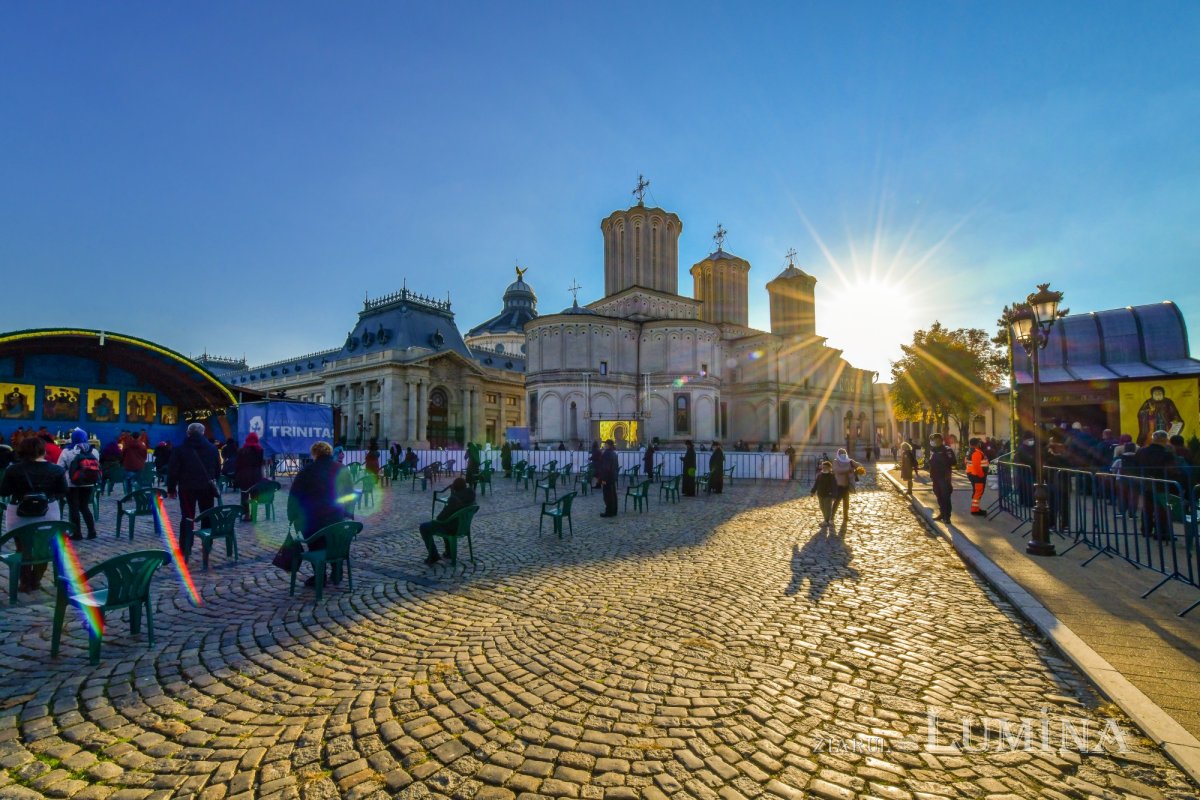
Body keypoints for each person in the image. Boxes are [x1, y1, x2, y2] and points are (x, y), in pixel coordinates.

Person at [0, 435, 68, 592]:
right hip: (48, 512)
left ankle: (25, 582)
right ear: (43, 450)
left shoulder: (13, 470)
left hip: (19, 513)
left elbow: (4, 491)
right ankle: (35, 580)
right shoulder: (56, 470)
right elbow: (63, 491)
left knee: (22, 548)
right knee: (43, 549)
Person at [287, 441, 355, 585]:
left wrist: (292, 517)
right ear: (330, 453)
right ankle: (337, 572)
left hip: (313, 520)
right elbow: (349, 494)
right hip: (336, 517)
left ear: (315, 454)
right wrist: (348, 514)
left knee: (314, 541)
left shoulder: (307, 471)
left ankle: (320, 575)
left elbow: (294, 496)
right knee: (336, 540)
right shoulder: (341, 469)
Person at [167, 423, 221, 558]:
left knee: (187, 517)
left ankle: (185, 547)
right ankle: (207, 545)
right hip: (207, 488)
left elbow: (173, 470)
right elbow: (217, 468)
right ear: (203, 433)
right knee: (207, 515)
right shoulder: (212, 449)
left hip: (187, 488)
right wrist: (215, 481)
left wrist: (171, 488)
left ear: (188, 433)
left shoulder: (180, 449)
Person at [1132, 430, 1179, 540]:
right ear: (1165, 440)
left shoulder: (1141, 452)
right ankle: (1162, 533)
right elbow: (1172, 471)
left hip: (1145, 483)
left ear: (1153, 439)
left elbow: (1135, 467)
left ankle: (1146, 530)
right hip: (1162, 484)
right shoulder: (1167, 454)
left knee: (1147, 508)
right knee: (1162, 509)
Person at [418, 477, 476, 564]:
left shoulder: (454, 499)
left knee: (424, 527)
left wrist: (452, 496)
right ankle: (448, 552)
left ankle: (434, 555)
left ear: (455, 487)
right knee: (449, 521)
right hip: (463, 527)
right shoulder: (471, 495)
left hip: (452, 528)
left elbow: (440, 518)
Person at [57, 427, 100, 540]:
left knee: (73, 508)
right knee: (84, 507)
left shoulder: (67, 451)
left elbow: (60, 467)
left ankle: (77, 533)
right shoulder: (94, 451)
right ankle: (92, 531)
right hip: (89, 483)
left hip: (72, 484)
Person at [234, 432, 265, 522]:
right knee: (254, 496)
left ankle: (246, 514)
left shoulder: (241, 451)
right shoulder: (260, 451)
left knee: (244, 496)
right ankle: (254, 514)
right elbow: (260, 464)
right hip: (256, 476)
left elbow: (238, 465)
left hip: (244, 476)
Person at [925, 434, 956, 523]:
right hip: (935, 477)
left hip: (944, 477)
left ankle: (947, 516)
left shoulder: (947, 450)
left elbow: (953, 461)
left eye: (933, 440)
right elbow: (932, 462)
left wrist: (941, 460)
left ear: (939, 440)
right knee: (938, 495)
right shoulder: (933, 450)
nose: (932, 442)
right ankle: (942, 513)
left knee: (945, 496)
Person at [830, 448, 861, 527]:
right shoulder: (836, 461)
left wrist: (858, 467)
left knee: (846, 502)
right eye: (841, 454)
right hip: (838, 485)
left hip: (847, 484)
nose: (843, 455)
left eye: (844, 454)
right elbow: (837, 470)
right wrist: (848, 469)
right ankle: (832, 518)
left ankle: (845, 517)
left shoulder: (849, 461)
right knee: (836, 502)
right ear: (839, 454)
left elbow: (858, 465)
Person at [966, 438, 990, 516]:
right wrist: (981, 475)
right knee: (978, 492)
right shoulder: (976, 452)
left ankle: (975, 508)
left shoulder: (970, 451)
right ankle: (975, 510)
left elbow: (966, 462)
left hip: (972, 474)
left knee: (976, 492)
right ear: (977, 444)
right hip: (977, 476)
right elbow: (976, 466)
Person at [810, 460, 837, 529]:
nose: (824, 468)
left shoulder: (831, 476)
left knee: (827, 508)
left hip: (828, 494)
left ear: (829, 468)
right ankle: (827, 519)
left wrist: (834, 495)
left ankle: (826, 521)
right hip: (820, 494)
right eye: (823, 467)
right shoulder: (820, 475)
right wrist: (813, 491)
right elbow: (816, 484)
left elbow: (834, 486)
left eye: (825, 467)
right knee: (822, 507)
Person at [597, 439, 619, 517]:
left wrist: (603, 479)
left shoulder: (606, 454)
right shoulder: (614, 453)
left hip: (607, 477)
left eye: (605, 444)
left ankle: (609, 512)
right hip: (612, 477)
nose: (604, 446)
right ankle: (614, 510)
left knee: (607, 496)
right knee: (613, 494)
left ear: (608, 445)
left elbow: (606, 468)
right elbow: (616, 467)